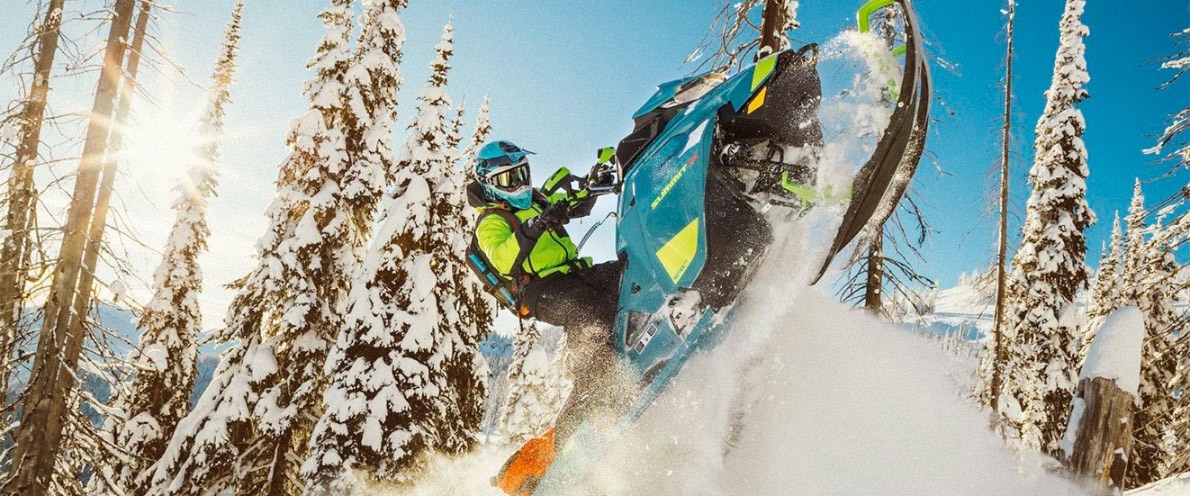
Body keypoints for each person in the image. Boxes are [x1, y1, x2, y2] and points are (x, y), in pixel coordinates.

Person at [466, 140, 625, 495]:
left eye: (523, 175)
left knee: (627, 275)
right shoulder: (490, 221)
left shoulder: (536, 199)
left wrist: (593, 183)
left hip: (571, 273)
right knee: (588, 312)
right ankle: (595, 392)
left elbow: (574, 204)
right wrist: (535, 225)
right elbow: (505, 258)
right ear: (491, 184)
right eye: (509, 179)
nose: (520, 185)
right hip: (538, 289)